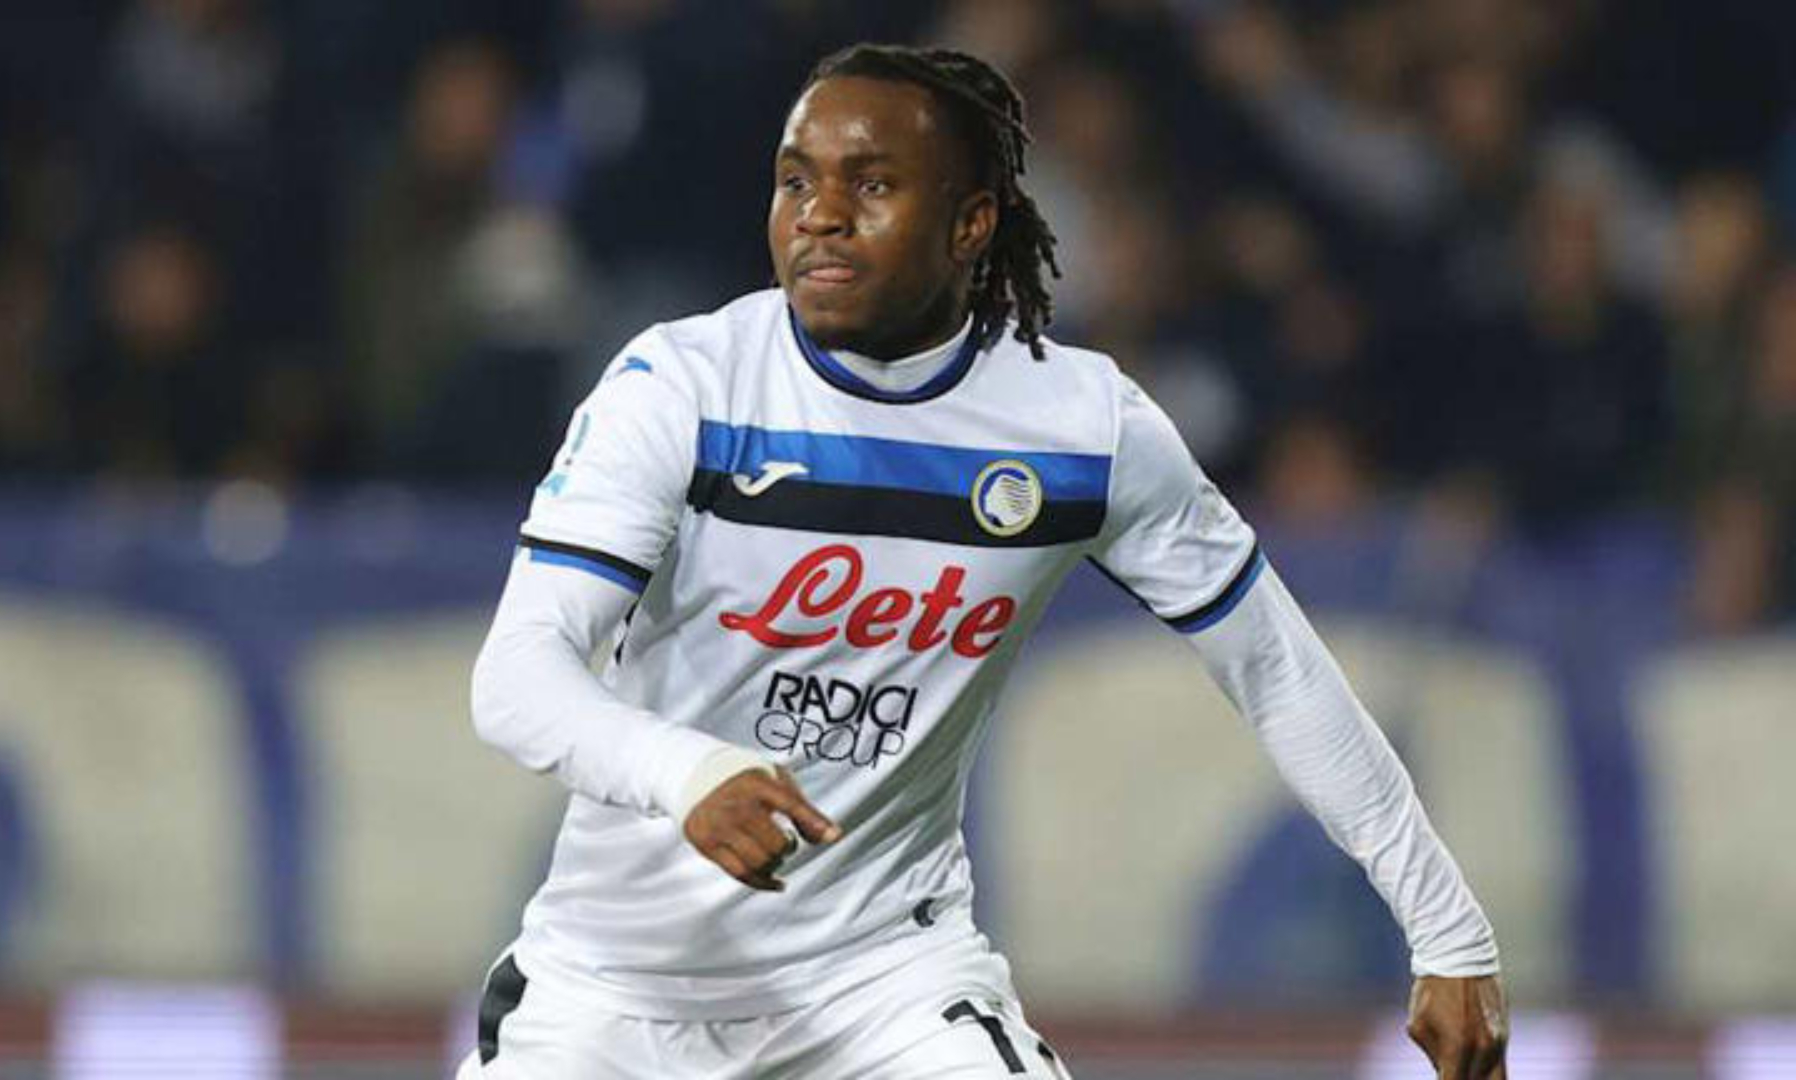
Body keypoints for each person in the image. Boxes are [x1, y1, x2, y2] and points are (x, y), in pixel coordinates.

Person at [461, 43, 1508, 1079]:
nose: (820, 215)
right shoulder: (684, 387)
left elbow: (1274, 669)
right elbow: (518, 677)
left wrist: (1447, 928)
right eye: (796, 181)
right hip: (613, 993)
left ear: (971, 223)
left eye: (871, 184)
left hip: (882, 986)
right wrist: (686, 771)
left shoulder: (1082, 430)